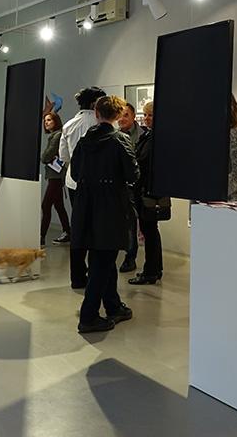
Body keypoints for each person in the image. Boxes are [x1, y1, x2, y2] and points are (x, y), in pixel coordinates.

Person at [70, 96, 138, 333]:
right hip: (110, 207)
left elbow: (75, 173)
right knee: (103, 261)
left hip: (86, 206)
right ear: (118, 115)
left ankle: (113, 306)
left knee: (103, 259)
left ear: (97, 114)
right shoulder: (120, 140)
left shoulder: (84, 141)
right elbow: (132, 174)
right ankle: (88, 316)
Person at [58, 86, 106, 289]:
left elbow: (63, 157)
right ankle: (96, 274)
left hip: (74, 182)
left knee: (78, 228)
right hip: (99, 183)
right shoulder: (101, 124)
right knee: (97, 229)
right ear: (95, 103)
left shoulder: (69, 125)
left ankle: (77, 276)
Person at [129, 100, 169, 285]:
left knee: (149, 231)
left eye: (150, 115)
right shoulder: (149, 135)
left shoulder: (156, 138)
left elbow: (142, 161)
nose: (146, 118)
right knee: (150, 231)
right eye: (145, 115)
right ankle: (154, 269)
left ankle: (151, 271)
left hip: (149, 191)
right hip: (146, 189)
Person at [117, 102, 142, 273]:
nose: (122, 119)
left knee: (133, 224)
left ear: (133, 116)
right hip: (119, 187)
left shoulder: (142, 136)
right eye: (120, 115)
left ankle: (130, 257)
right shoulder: (115, 137)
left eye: (126, 115)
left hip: (137, 187)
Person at [40, 112, 71, 247]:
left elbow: (46, 156)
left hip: (56, 177)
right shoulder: (55, 135)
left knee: (46, 205)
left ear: (56, 121)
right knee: (59, 206)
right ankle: (68, 232)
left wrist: (45, 158)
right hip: (56, 175)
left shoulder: (57, 136)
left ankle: (41, 237)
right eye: (45, 120)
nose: (46, 122)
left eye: (49, 120)